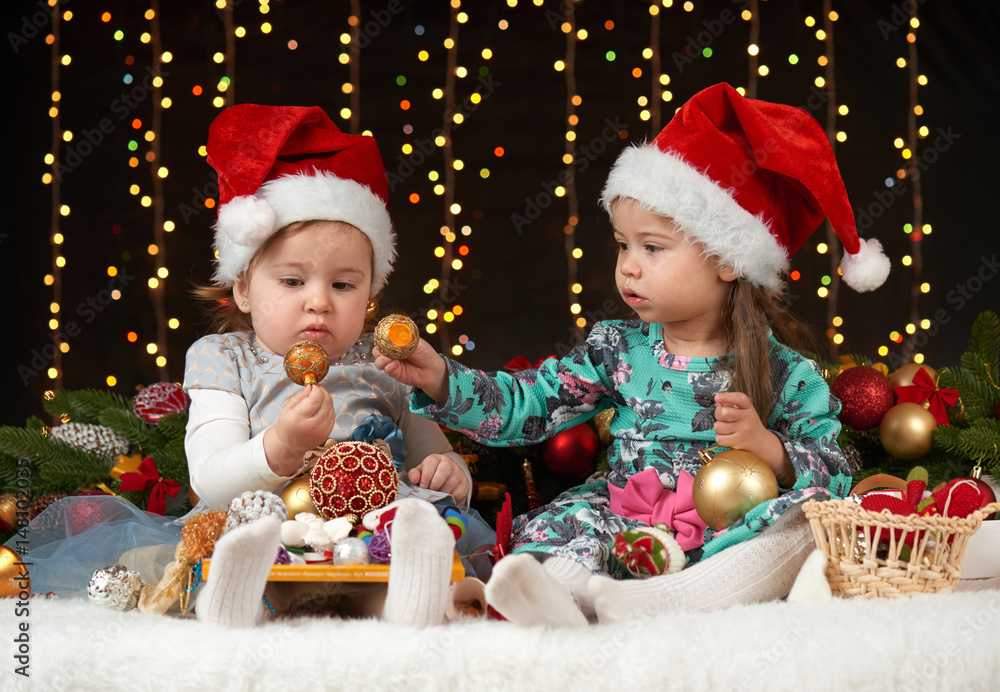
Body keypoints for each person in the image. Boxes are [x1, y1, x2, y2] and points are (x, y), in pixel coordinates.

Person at [374, 83, 891, 626]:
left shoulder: (786, 373)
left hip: (727, 526)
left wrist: (771, 451)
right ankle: (556, 596)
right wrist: (441, 380)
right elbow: (528, 405)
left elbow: (833, 472)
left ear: (728, 260)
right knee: (570, 522)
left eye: (653, 247)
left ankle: (669, 598)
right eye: (623, 244)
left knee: (802, 523)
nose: (629, 266)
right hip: (626, 513)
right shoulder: (617, 350)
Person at [184, 103, 490, 628]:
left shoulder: (384, 362)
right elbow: (209, 478)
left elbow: (432, 454)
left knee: (411, 551)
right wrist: (280, 447)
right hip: (270, 524)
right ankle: (238, 598)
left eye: (343, 284)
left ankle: (407, 604)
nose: (319, 302)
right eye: (292, 281)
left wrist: (450, 470)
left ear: (369, 293)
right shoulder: (225, 360)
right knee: (244, 547)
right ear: (242, 288)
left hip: (371, 533)